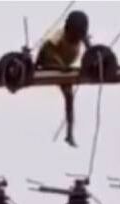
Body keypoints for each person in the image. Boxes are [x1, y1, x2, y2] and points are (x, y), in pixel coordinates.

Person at [36, 11, 91, 148]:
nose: (75, 36)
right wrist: (36, 67)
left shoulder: (82, 37)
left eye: (78, 34)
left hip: (64, 69)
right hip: (50, 62)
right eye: (73, 33)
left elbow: (92, 52)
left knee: (69, 98)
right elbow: (45, 51)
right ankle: (69, 134)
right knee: (61, 71)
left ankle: (69, 133)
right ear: (68, 29)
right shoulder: (60, 35)